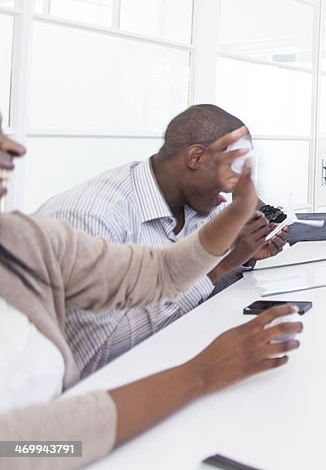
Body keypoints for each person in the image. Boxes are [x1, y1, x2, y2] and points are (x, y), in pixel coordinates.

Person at [0, 118, 303, 468]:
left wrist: (237, 215)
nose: (15, 147)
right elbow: (18, 448)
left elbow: (162, 271)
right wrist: (199, 375)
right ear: (195, 158)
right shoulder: (87, 214)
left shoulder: (22, 239)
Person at [38, 104, 288, 375]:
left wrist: (243, 256)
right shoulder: (93, 219)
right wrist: (217, 266)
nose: (232, 188)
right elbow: (91, 357)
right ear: (196, 158)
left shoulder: (198, 205)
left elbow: (197, 300)